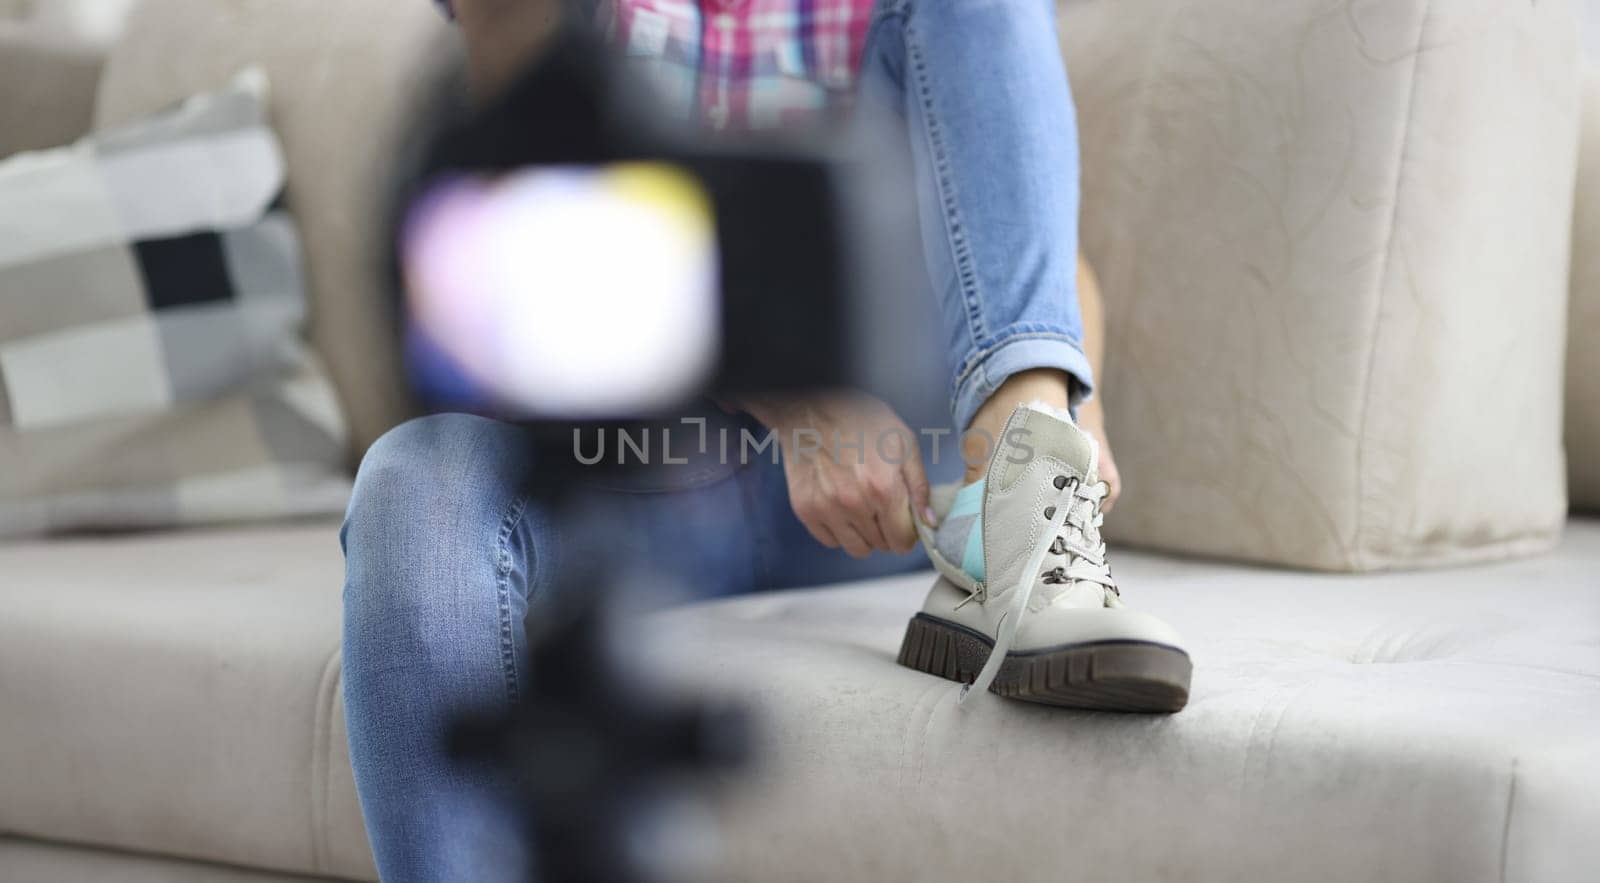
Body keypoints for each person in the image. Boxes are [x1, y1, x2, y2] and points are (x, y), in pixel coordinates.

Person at [341, 0, 1192, 879]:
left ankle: (1022, 509)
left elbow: (1050, 269)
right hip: (631, 467)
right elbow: (487, 244)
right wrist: (795, 405)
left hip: (914, 481)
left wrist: (1052, 413)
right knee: (413, 487)